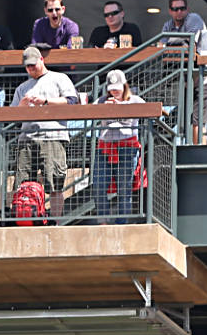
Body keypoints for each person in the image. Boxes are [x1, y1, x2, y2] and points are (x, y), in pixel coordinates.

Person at [11, 47, 80, 222]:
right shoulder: (22, 87)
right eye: (27, 67)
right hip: (27, 138)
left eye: (33, 65)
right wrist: (23, 106)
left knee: (55, 183)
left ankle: (56, 223)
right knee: (24, 184)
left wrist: (46, 101)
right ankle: (28, 220)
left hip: (54, 136)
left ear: (42, 59)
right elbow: (12, 115)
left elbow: (72, 101)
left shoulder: (59, 78)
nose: (31, 69)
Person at [92, 70, 146, 224]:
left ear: (124, 85)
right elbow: (91, 112)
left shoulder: (135, 100)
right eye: (111, 87)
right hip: (105, 147)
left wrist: (120, 107)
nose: (114, 91)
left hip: (127, 148)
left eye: (117, 87)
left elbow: (146, 111)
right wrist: (105, 108)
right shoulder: (102, 101)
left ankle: (121, 222)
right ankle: (103, 220)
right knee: (98, 185)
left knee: (124, 188)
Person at [161, 0, 207, 142]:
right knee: (188, 118)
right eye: (175, 9)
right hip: (188, 79)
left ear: (187, 9)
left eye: (182, 8)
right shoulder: (168, 25)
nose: (179, 12)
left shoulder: (194, 18)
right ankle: (191, 146)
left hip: (205, 76)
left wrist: (170, 44)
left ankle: (201, 154)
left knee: (196, 120)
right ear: (170, 11)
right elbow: (161, 48)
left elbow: (189, 41)